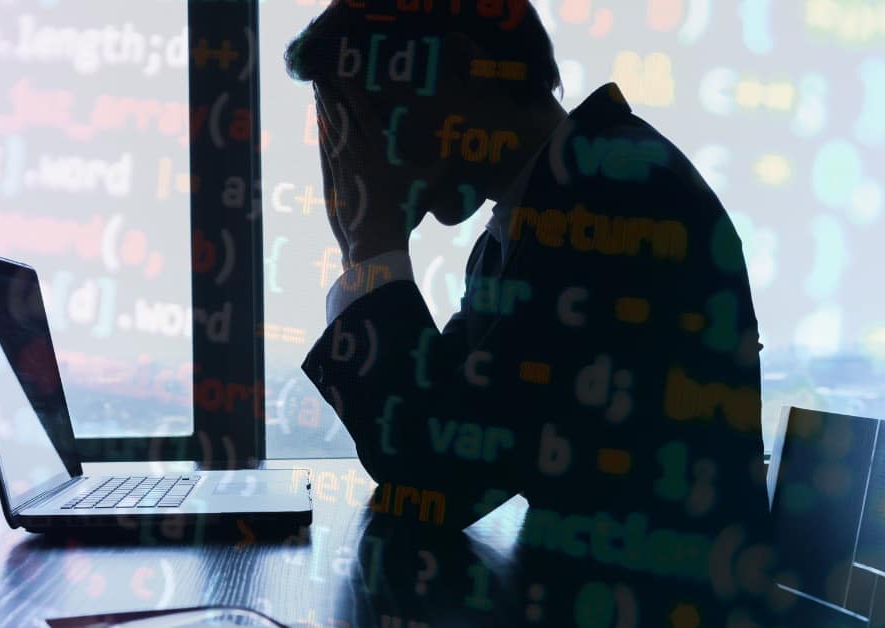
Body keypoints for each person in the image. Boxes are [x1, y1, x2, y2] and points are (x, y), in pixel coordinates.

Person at [286, 1, 782, 624]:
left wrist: (368, 247)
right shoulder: (542, 210)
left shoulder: (610, 199)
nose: (356, 163)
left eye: (364, 124)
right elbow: (437, 441)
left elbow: (440, 480)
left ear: (458, 74)